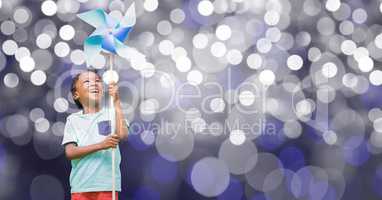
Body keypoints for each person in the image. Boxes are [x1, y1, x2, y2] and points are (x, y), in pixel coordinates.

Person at [62, 69, 128, 200]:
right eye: (87, 81)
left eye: (98, 81)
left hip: (108, 185)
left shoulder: (111, 113)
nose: (94, 84)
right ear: (76, 94)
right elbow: (70, 152)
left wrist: (116, 102)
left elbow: (122, 134)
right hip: (81, 186)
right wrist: (101, 145)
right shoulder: (73, 120)